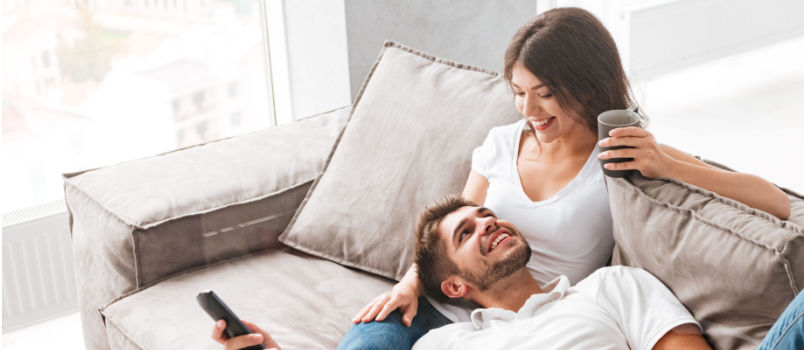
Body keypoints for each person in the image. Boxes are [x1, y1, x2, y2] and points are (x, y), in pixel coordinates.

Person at [342, 6, 791, 350]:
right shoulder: (502, 142)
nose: (529, 111)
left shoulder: (616, 153)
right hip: (453, 314)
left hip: (547, 320)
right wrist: (407, 285)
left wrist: (668, 164)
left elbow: (774, 202)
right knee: (369, 335)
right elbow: (452, 237)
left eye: (545, 94)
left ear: (588, 85)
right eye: (519, 93)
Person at [210, 196, 803, 349]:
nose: (486, 223)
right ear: (455, 288)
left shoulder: (613, 285)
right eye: (466, 234)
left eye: (487, 215)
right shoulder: (444, 343)